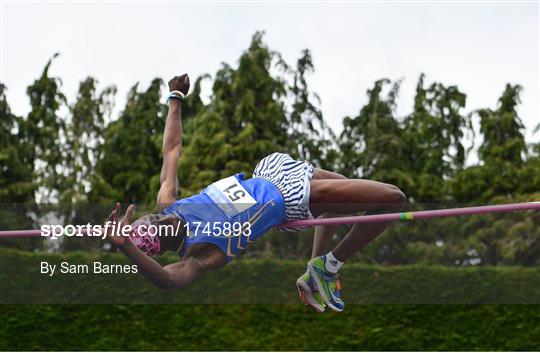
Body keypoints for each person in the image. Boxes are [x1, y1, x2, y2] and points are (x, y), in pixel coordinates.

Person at [106, 74, 406, 313]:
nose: (165, 218)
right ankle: (330, 265)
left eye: (157, 217)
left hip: (271, 170)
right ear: (165, 245)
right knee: (392, 199)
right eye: (163, 228)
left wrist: (175, 99)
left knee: (343, 190)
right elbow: (167, 280)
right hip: (289, 198)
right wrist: (125, 247)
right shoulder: (200, 254)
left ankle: (316, 268)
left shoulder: (172, 205)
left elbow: (171, 150)